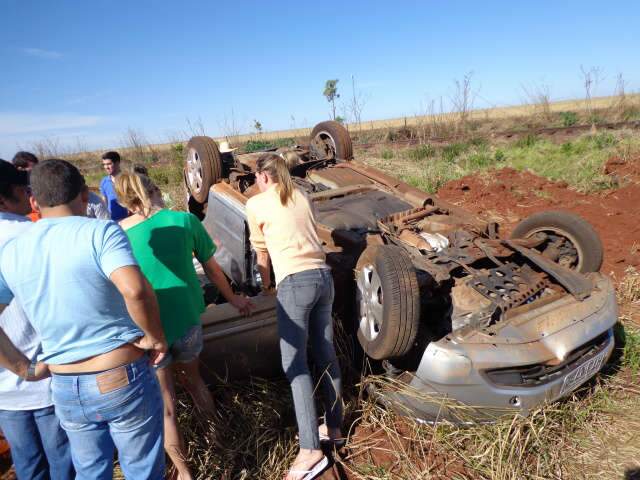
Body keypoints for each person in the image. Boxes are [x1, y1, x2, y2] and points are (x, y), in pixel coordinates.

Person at [0, 159, 167, 480]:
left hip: (63, 383)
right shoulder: (100, 231)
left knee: (90, 470)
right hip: (119, 373)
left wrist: (23, 368)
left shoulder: (14, 251)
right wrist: (153, 337)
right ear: (83, 194)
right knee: (141, 468)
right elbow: (135, 290)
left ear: (35, 201)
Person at [115, 171, 253, 480]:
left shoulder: (118, 234)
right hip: (188, 321)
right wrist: (235, 300)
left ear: (125, 200)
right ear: (156, 189)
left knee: (166, 405)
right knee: (195, 382)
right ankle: (219, 446)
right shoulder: (185, 221)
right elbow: (213, 270)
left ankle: (184, 473)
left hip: (150, 332)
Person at [245, 153, 343, 480]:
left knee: (295, 364)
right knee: (326, 354)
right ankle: (335, 426)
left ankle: (310, 450)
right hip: (323, 278)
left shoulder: (257, 204)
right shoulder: (301, 195)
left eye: (255, 177)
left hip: (295, 283)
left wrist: (266, 287)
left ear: (263, 176)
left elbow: (262, 255)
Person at [0, 160, 74, 480]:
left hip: (4, 391)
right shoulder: (29, 235)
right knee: (63, 463)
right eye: (24, 188)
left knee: (28, 466)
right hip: (44, 375)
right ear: (9, 196)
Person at [100, 151, 129, 221]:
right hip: (113, 221)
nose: (106, 167)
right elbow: (104, 202)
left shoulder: (128, 179)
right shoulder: (104, 182)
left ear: (117, 163)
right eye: (104, 164)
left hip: (130, 219)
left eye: (109, 164)